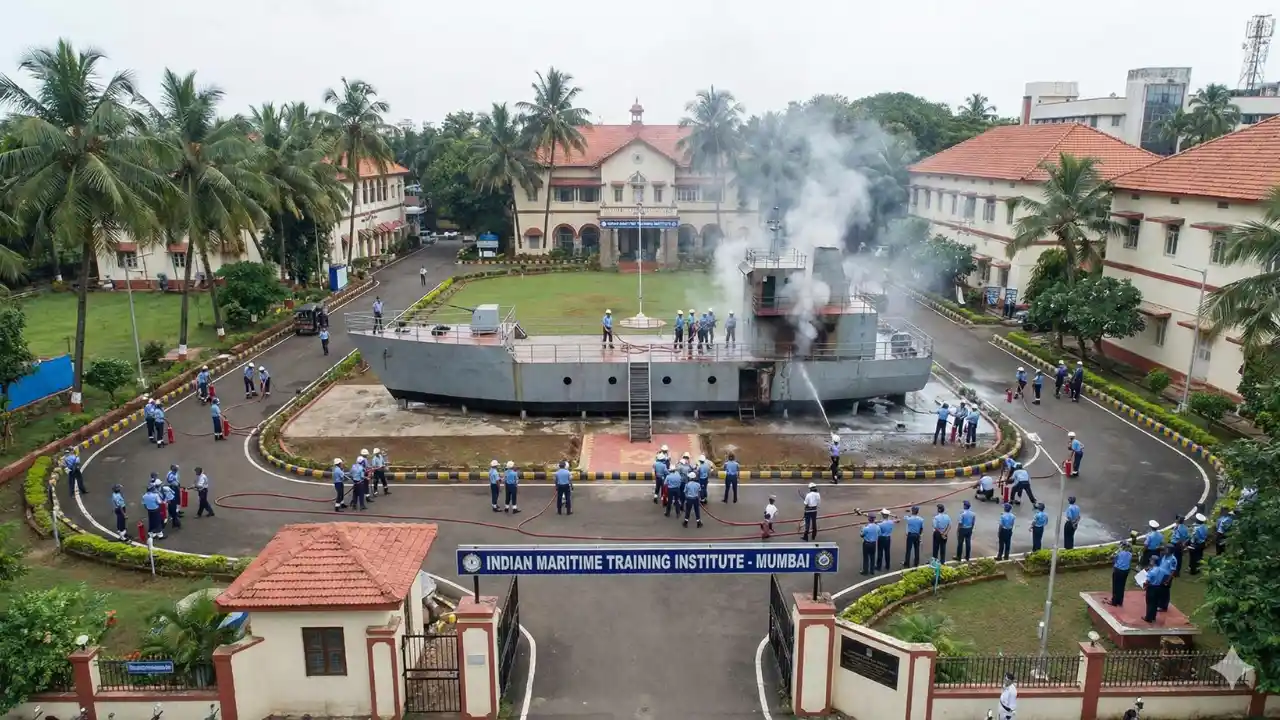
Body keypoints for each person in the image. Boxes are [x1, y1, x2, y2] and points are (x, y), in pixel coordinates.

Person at [1142, 556, 1168, 623]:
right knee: (1155, 603)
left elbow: (1147, 581)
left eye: (1151, 560)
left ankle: (1148, 618)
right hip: (1159, 587)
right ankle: (1153, 617)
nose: (1150, 561)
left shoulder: (1152, 571)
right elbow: (1166, 576)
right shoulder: (1162, 569)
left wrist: (1144, 586)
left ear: (1153, 561)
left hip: (1152, 588)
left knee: (1150, 603)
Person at [1110, 541, 1133, 606]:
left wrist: (1118, 549)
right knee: (1122, 586)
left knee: (1115, 586)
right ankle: (1120, 601)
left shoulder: (1119, 553)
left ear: (1122, 546)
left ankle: (1114, 601)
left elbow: (1111, 556)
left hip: (1118, 570)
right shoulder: (1130, 554)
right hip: (1125, 571)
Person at [1158, 546, 1177, 611]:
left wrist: (1168, 580)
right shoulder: (1164, 556)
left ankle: (1164, 606)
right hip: (1161, 575)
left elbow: (1172, 571)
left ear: (1170, 551)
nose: (1165, 550)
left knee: (1165, 592)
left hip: (1167, 576)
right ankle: (1160, 604)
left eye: (1166, 549)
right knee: (1160, 590)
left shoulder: (1173, 559)